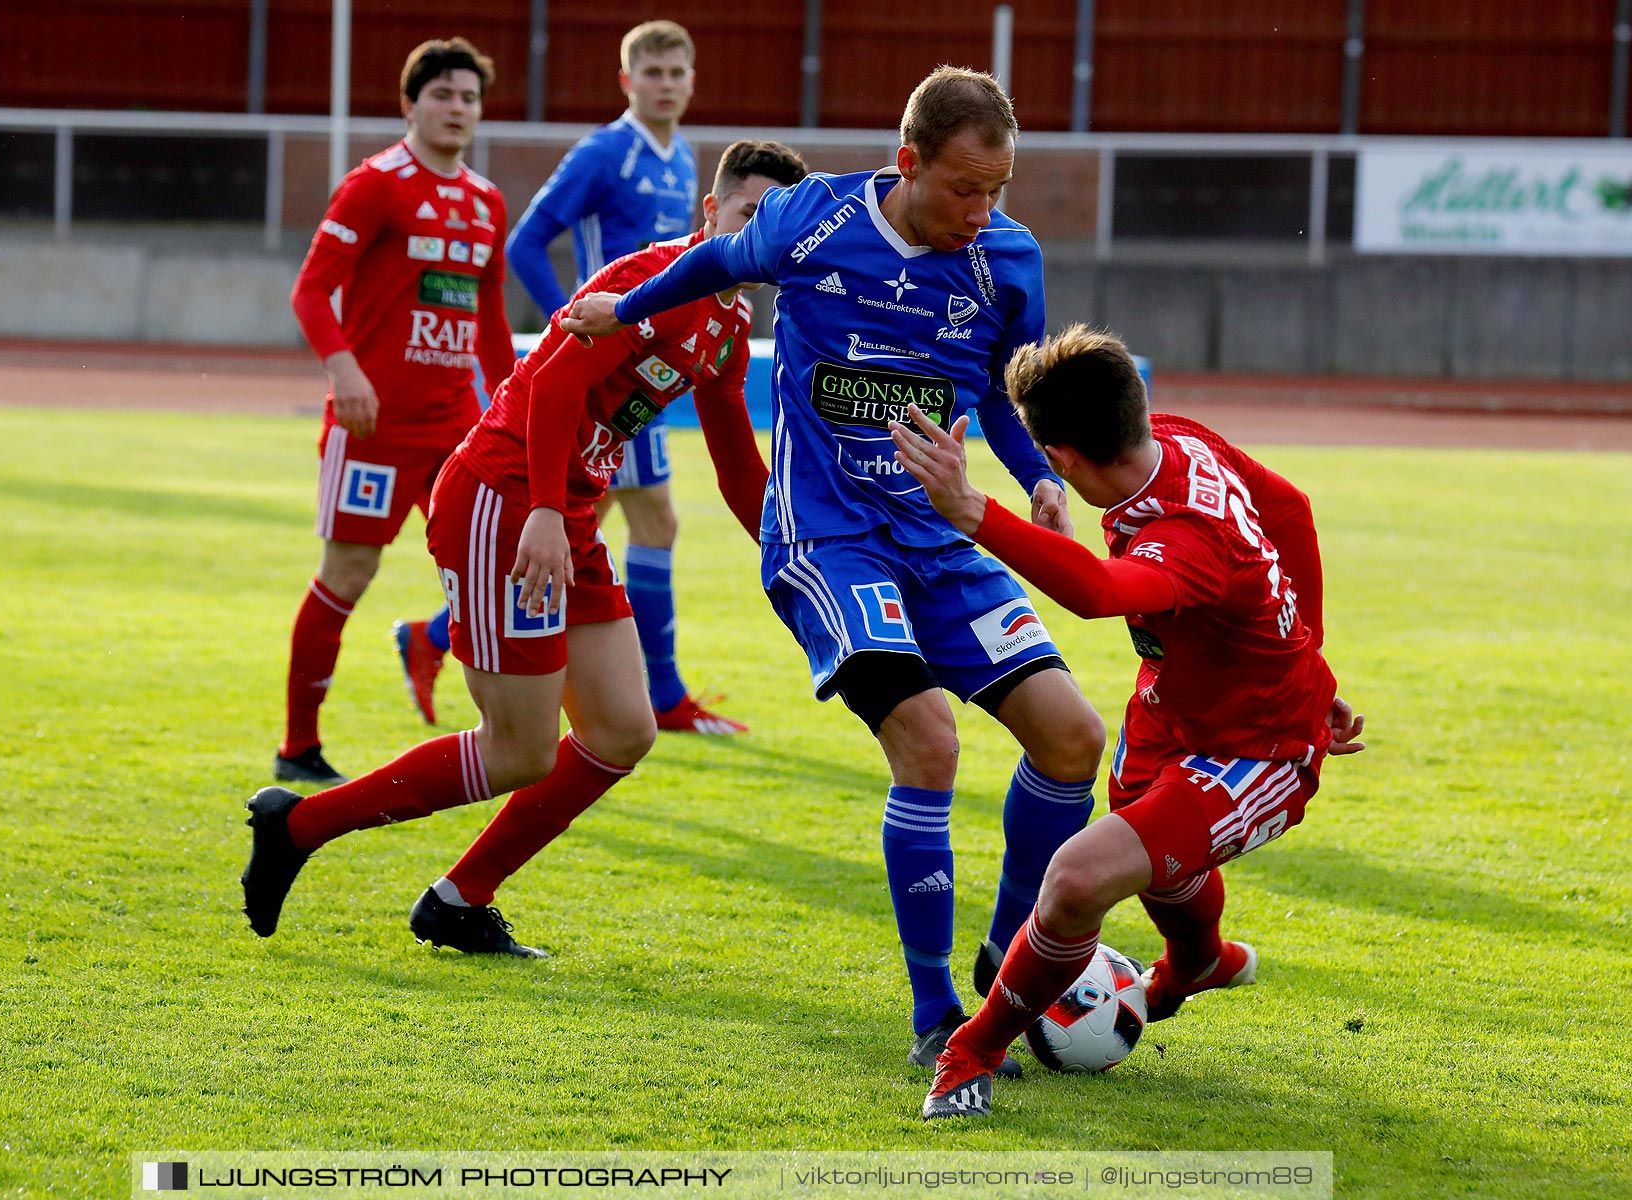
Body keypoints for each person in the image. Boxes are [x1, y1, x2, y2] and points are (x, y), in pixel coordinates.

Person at [562, 67, 1108, 1076]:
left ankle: (1006, 957)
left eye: (998, 190)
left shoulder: (1008, 259)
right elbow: (718, 258)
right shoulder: (814, 221)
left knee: (1075, 738)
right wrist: (627, 312)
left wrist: (1034, 477)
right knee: (931, 741)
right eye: (963, 190)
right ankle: (938, 1009)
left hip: (941, 537)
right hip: (827, 537)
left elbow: (996, 395)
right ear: (908, 163)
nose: (981, 212)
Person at [240, 141, 808, 956]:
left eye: (779, 223)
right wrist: (545, 509)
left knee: (622, 731)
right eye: (751, 212)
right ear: (710, 214)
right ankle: (299, 825)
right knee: (520, 751)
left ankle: (459, 899)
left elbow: (736, 466)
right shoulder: (651, 283)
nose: (764, 232)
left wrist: (792, 552)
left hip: (564, 512)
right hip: (502, 500)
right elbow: (553, 384)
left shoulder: (727, 318)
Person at [891, 324, 1366, 1120]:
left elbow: (1097, 594)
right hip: (1172, 703)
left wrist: (974, 509)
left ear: (1068, 460)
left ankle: (971, 1047)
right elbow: (1290, 507)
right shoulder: (1175, 437)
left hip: (1256, 750)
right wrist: (1308, 655)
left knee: (1079, 879)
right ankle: (1198, 961)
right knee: (1143, 836)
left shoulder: (1188, 539)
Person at [395, 20, 744, 736]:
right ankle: (666, 692)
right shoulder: (606, 152)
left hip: (648, 370)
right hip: (608, 367)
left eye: (679, 73)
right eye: (653, 74)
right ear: (627, 82)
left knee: (600, 515)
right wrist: (575, 330)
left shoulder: (684, 162)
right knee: (650, 519)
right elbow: (527, 240)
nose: (667, 85)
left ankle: (428, 637)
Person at [278, 37, 514, 785]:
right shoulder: (375, 184)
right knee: (348, 572)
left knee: (492, 570)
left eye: (469, 97)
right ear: (409, 104)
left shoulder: (485, 201)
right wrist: (344, 371)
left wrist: (515, 409)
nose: (457, 109)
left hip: (457, 430)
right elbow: (310, 291)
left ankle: (510, 736)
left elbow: (490, 325)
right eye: (442, 94)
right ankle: (297, 747)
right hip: (373, 427)